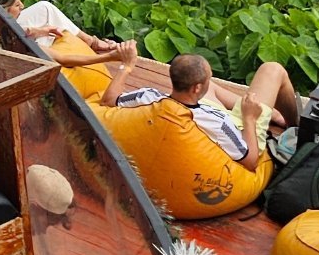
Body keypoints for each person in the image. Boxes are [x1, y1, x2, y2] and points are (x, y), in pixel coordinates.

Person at [104, 53, 305, 175]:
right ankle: (293, 123)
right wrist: (250, 118)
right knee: (273, 70)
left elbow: (109, 100)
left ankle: (272, 114)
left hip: (194, 107)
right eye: (209, 77)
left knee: (213, 89)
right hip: (239, 128)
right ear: (196, 88)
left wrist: (126, 66)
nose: (210, 78)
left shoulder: (149, 97)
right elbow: (251, 161)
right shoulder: (218, 124)